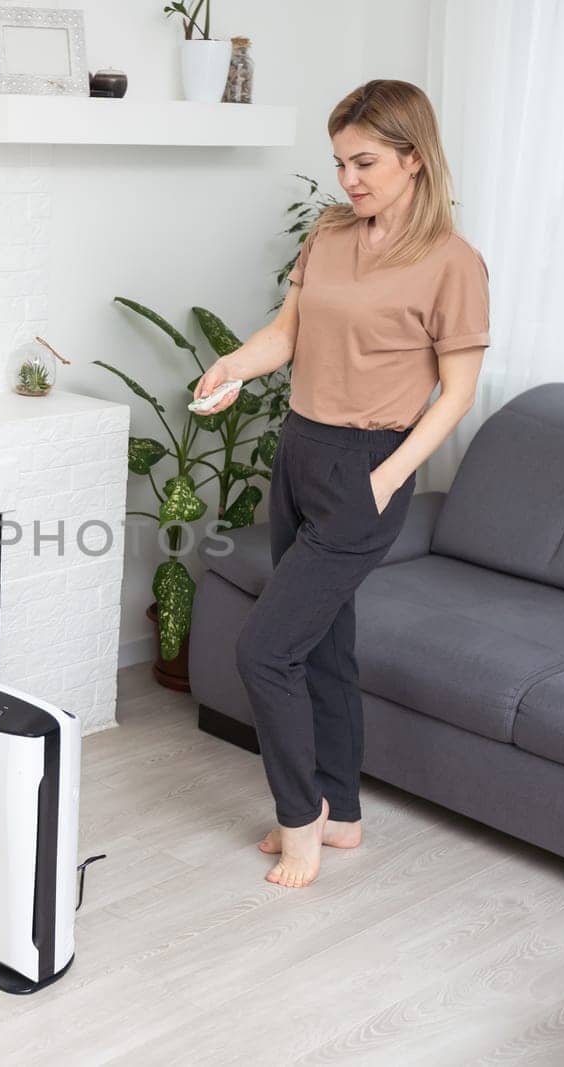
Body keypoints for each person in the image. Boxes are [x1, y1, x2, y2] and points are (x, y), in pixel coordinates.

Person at [193, 79, 491, 889]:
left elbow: (456, 394)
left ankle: (301, 823)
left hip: (370, 465)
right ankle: (344, 810)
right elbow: (288, 332)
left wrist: (388, 479)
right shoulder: (330, 233)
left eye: (364, 162)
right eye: (340, 163)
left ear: (414, 159)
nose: (348, 179)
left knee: (264, 649)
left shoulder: (452, 263)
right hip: (299, 450)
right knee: (324, 641)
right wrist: (231, 365)